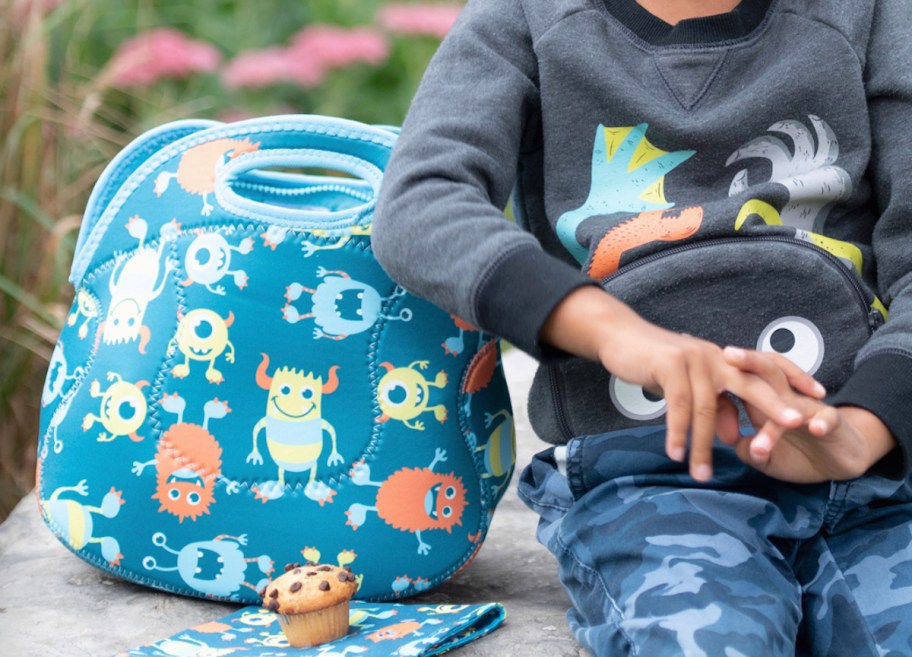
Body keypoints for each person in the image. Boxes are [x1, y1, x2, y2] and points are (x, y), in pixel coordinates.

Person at [372, 0, 912, 654]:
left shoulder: (876, 15)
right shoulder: (525, 17)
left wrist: (864, 428)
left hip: (877, 479)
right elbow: (421, 202)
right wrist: (618, 334)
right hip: (650, 477)